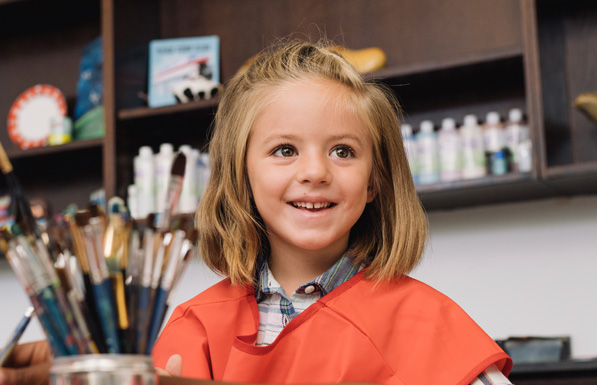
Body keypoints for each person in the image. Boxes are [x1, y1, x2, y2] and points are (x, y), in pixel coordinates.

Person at [151, 39, 513, 385]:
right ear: (241, 174)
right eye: (284, 150)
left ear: (375, 181)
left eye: (342, 151)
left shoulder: (430, 323)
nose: (315, 172)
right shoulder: (196, 329)